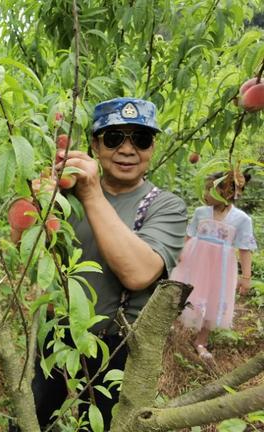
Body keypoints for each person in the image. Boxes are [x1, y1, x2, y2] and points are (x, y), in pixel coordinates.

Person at [32, 97, 188, 429]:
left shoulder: (166, 207)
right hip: (57, 334)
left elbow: (139, 273)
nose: (128, 150)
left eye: (141, 139)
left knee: (103, 424)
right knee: (37, 416)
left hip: (117, 345)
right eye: (115, 138)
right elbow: (35, 256)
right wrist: (39, 207)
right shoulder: (66, 198)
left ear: (152, 147)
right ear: (94, 144)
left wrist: (90, 193)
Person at [170, 171, 257, 360]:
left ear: (224, 191)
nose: (205, 194)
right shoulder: (202, 212)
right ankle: (173, 326)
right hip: (195, 259)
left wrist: (246, 277)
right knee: (184, 290)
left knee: (213, 300)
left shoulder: (241, 219)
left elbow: (245, 248)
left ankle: (201, 340)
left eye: (210, 189)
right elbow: (190, 235)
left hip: (220, 267)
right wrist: (178, 255)